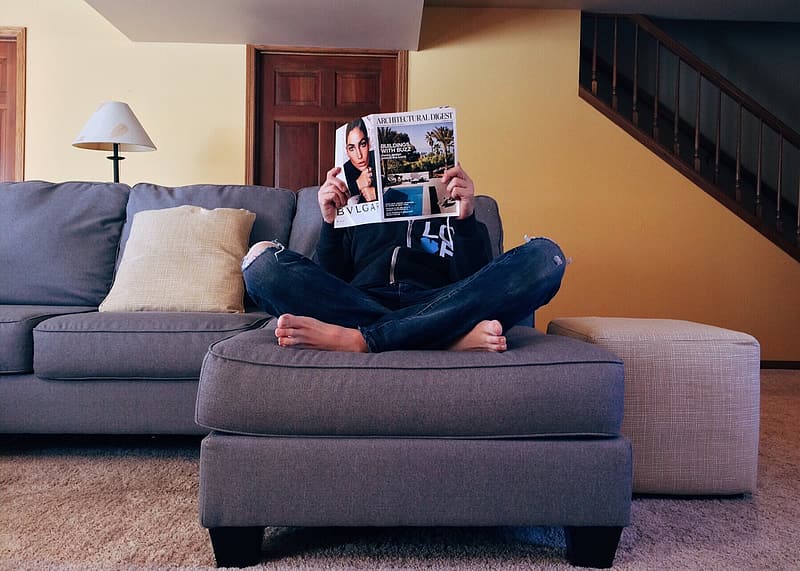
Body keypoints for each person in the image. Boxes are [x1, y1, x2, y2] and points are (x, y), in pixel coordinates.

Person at [241, 164, 566, 353]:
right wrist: (331, 223)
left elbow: (475, 281)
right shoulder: (357, 214)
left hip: (440, 299)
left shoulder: (452, 215)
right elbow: (328, 282)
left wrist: (465, 219)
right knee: (259, 263)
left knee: (546, 256)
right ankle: (448, 339)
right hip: (360, 303)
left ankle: (362, 340)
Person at [342, 118, 377, 203]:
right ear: (347, 150)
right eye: (351, 148)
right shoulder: (344, 170)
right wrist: (358, 184)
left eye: (362, 144)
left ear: (369, 143)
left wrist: (377, 193)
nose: (359, 155)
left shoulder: (379, 159)